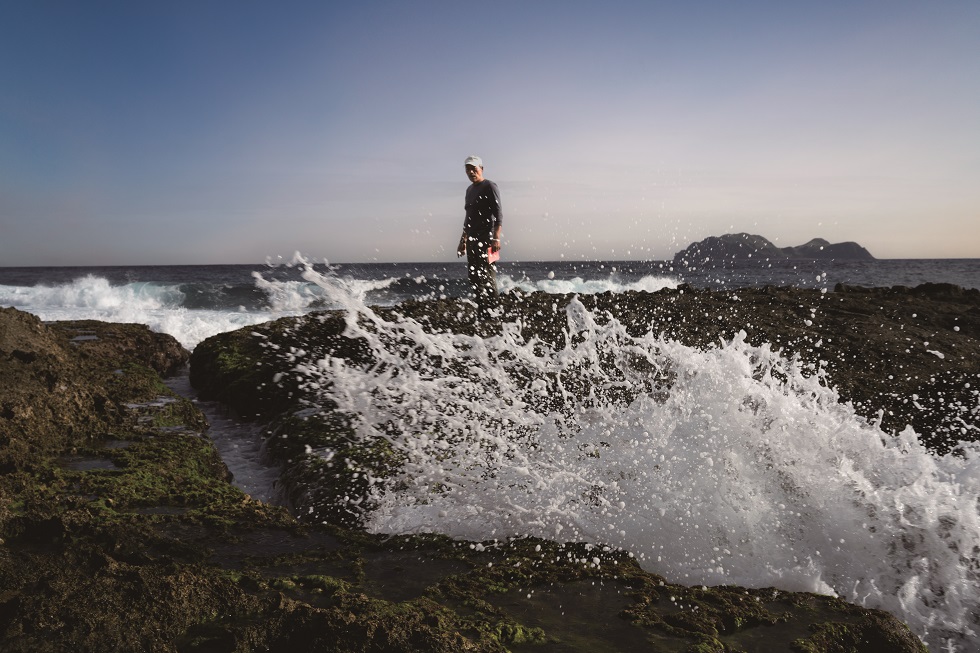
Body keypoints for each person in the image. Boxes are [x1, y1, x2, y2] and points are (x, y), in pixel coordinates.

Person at [456, 155, 502, 320]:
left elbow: (498, 214)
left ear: (481, 169)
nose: (471, 172)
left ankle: (494, 313)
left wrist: (496, 238)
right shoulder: (469, 190)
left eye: (474, 168)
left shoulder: (490, 186)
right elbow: (469, 218)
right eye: (468, 169)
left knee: (488, 276)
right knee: (474, 277)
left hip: (488, 239)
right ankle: (483, 312)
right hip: (473, 240)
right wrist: (463, 240)